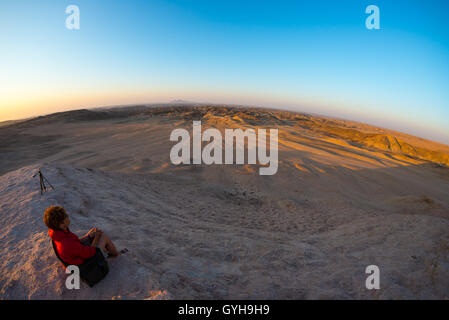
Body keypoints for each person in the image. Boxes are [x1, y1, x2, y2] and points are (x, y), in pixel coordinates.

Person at [44, 206, 119, 266]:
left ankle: (105, 247)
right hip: (84, 264)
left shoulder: (58, 233)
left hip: (76, 255)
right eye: (66, 216)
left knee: (94, 230)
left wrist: (90, 235)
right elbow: (90, 253)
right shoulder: (67, 243)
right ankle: (115, 254)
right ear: (62, 223)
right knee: (103, 236)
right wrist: (96, 237)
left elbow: (76, 243)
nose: (68, 216)